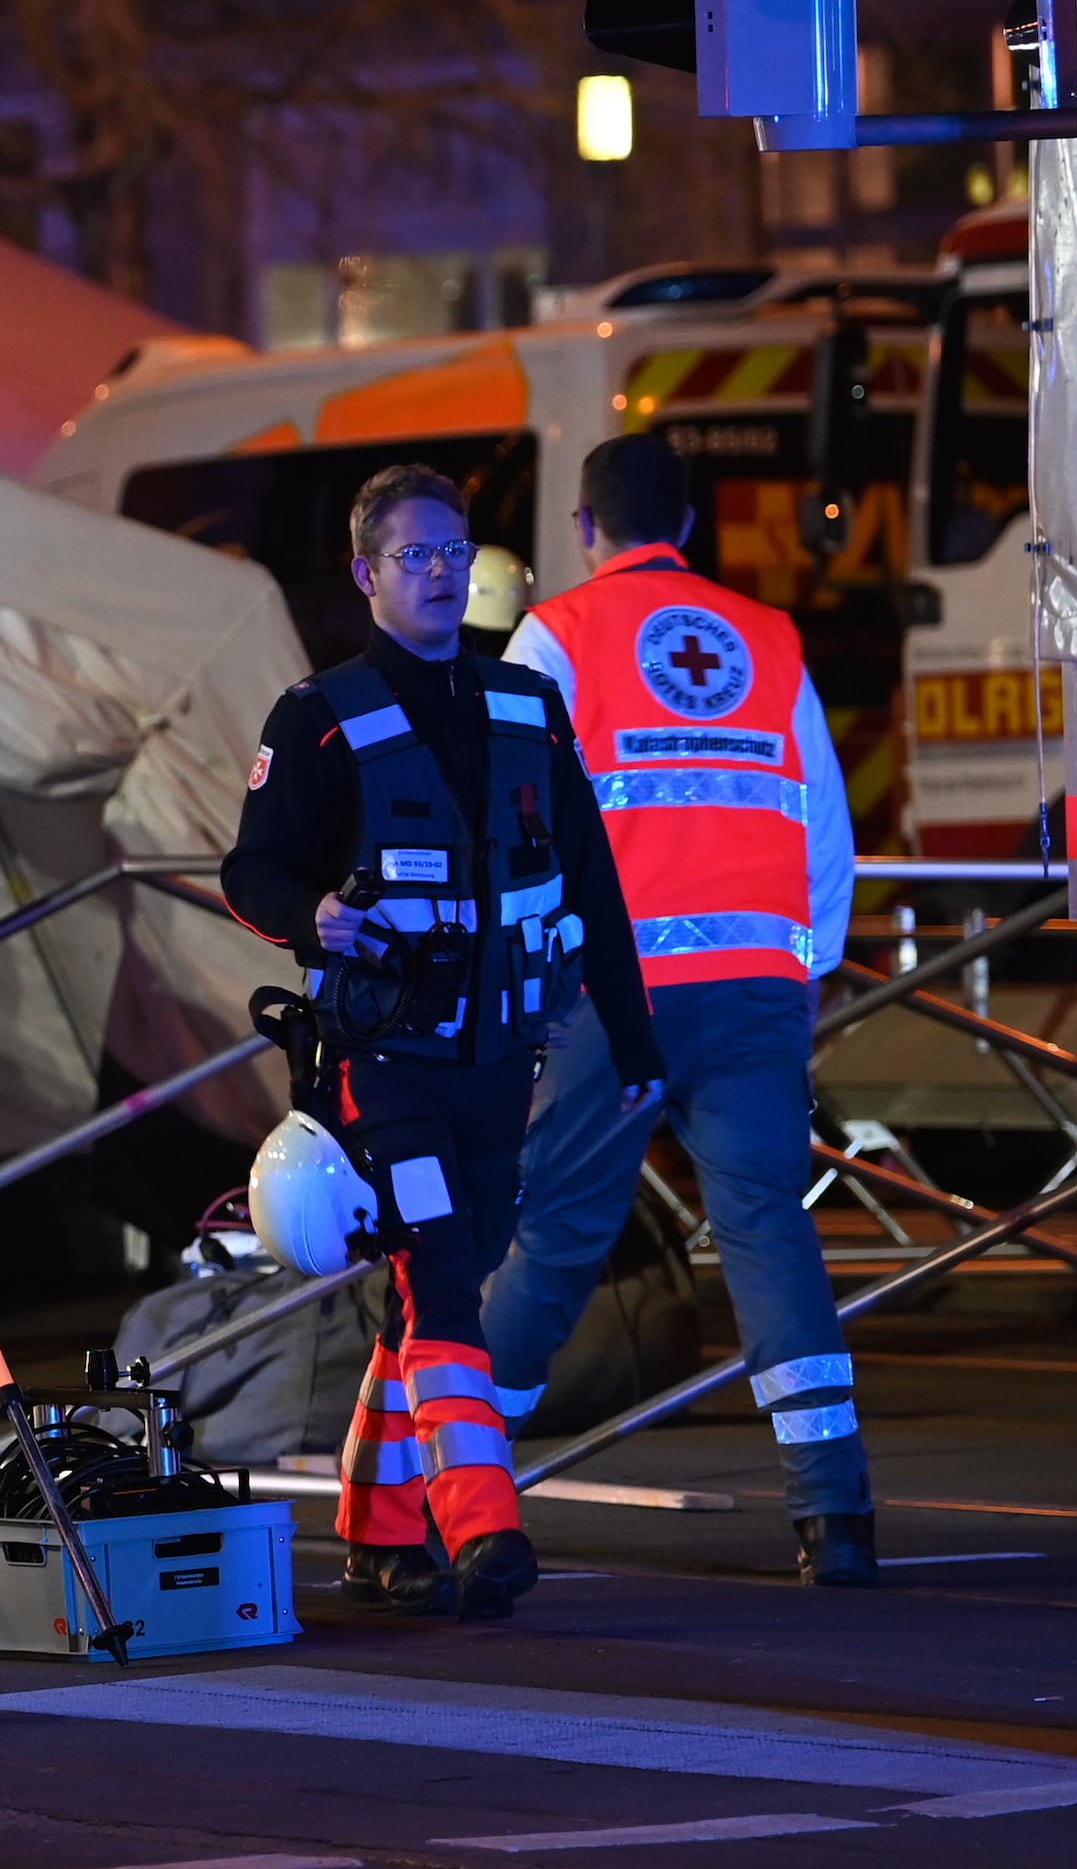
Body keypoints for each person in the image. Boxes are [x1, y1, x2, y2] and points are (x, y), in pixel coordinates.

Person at [222, 462, 663, 1619]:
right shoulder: (316, 717)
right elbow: (248, 870)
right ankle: (481, 1525)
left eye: (453, 552)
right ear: (364, 574)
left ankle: (375, 1535)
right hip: (384, 1059)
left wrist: (632, 1038)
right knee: (440, 1277)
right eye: (412, 555)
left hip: (501, 1061)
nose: (438, 573)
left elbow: (591, 882)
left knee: (436, 1285)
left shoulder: (525, 705)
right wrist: (309, 915)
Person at [480, 429, 879, 1583]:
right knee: (767, 1228)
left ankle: (448, 1482)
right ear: (689, 525)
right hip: (754, 988)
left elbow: (512, 822)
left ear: (581, 528)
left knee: (558, 1237)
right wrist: (803, 970)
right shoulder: (765, 637)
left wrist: (520, 982)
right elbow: (822, 825)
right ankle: (833, 1512)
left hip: (611, 995)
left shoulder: (554, 633)